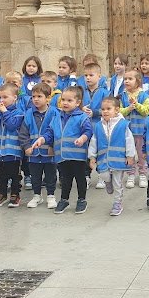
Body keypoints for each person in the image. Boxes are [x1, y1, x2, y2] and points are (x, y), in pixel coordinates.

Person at [88, 97, 136, 216]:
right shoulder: (99, 126)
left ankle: (117, 203)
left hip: (118, 159)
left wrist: (130, 156)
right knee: (104, 175)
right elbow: (94, 141)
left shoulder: (123, 125)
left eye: (108, 109)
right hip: (103, 159)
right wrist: (92, 157)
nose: (105, 111)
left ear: (117, 110)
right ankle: (107, 182)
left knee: (117, 183)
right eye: (103, 109)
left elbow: (129, 140)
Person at [19, 83, 61, 209]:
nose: (35, 99)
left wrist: (53, 146)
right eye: (33, 96)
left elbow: (56, 131)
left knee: (50, 175)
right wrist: (26, 146)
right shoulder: (28, 113)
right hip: (33, 152)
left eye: (39, 96)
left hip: (49, 152)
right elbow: (23, 132)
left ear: (48, 98)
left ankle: (51, 195)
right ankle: (37, 195)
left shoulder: (55, 112)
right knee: (35, 176)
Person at [54, 86, 93, 214]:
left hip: (78, 156)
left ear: (78, 103)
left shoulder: (82, 117)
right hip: (62, 156)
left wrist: (82, 138)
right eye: (63, 100)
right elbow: (50, 132)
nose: (65, 103)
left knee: (80, 179)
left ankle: (82, 200)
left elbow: (88, 130)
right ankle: (64, 200)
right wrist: (43, 140)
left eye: (69, 100)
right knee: (65, 179)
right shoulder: (57, 116)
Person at [0, 83, 25, 208]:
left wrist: (4, 112)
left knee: (14, 174)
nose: (2, 100)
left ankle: (15, 194)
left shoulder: (19, 112)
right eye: (0, 97)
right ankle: (2, 193)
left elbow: (12, 125)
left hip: (13, 150)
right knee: (1, 174)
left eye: (5, 97)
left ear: (14, 98)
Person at [120, 69, 149, 189]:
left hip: (140, 131)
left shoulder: (144, 95)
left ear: (137, 81)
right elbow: (120, 112)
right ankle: (131, 174)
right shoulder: (122, 96)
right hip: (127, 131)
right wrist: (129, 108)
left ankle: (143, 174)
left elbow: (147, 111)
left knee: (141, 154)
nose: (126, 81)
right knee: (129, 153)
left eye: (130, 79)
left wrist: (136, 105)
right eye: (125, 79)